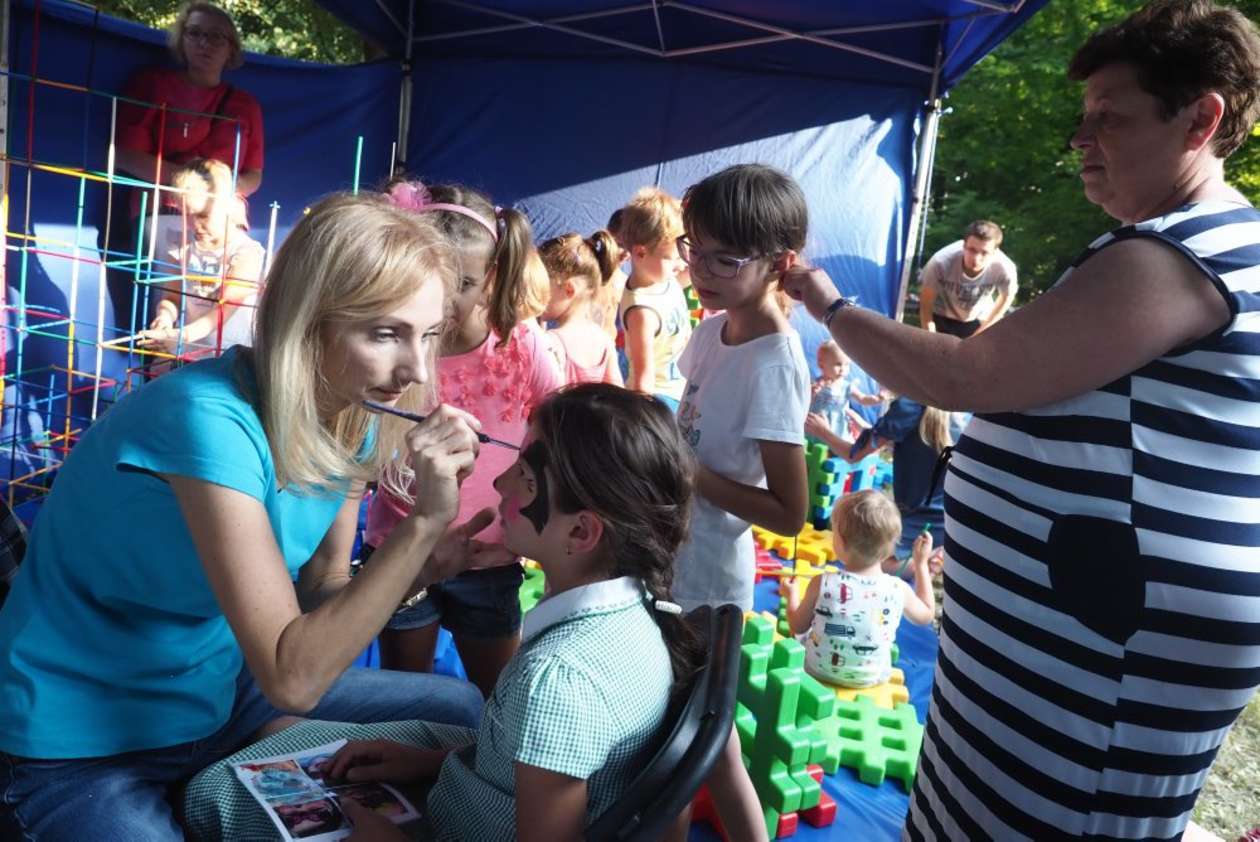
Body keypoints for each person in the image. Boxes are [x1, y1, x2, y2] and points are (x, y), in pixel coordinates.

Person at [781, 2, 1260, 836]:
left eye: (1108, 117)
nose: (1080, 139)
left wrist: (828, 302)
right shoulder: (1200, 247)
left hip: (1095, 685)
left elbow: (970, 373)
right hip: (1068, 666)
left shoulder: (1177, 255)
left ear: (1202, 118)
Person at [0, 193, 488, 841]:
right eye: (385, 333)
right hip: (81, 735)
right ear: (307, 323)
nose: (417, 370)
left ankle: (217, 779)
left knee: (458, 708)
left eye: (428, 335)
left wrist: (421, 566)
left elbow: (322, 588)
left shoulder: (356, 414)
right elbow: (294, 678)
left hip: (219, 690)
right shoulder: (207, 420)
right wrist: (423, 524)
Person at [182, 384, 701, 842]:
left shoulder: (558, 679)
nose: (499, 487)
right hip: (467, 783)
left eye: (523, 475)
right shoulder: (642, 616)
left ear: (581, 533)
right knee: (279, 735)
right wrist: (431, 763)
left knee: (210, 794)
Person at [363, 180, 562, 696]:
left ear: (493, 277)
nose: (446, 304)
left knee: (495, 697)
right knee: (401, 697)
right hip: (403, 548)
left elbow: (560, 425)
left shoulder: (521, 345)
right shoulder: (396, 344)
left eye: (465, 284)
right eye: (433, 281)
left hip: (489, 556)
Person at [672, 164, 810, 612]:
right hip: (671, 555)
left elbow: (789, 515)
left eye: (726, 259)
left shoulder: (773, 366)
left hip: (708, 585)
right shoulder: (710, 333)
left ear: (780, 263)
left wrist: (690, 473)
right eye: (695, 250)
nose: (703, 271)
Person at [111, 2, 265, 331]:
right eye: (195, 33)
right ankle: (159, 369)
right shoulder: (149, 85)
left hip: (224, 221)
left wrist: (216, 195)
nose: (205, 44)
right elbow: (123, 156)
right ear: (181, 39)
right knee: (163, 309)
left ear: (231, 49)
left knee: (224, 309)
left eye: (216, 37)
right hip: (162, 212)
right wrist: (191, 190)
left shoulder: (246, 105)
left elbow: (254, 176)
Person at [786, 490, 935, 688]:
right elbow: (926, 614)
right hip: (870, 678)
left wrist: (792, 595)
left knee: (798, 638)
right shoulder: (898, 588)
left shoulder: (822, 582)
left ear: (841, 543)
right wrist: (921, 564)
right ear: (891, 549)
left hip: (815, 669)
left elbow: (797, 625)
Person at [810, 397, 966, 569]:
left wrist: (822, 431)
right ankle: (929, 557)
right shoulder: (952, 407)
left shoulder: (909, 406)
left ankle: (924, 564)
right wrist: (870, 432)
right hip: (948, 514)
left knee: (860, 556)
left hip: (919, 514)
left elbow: (852, 455)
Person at [138, 157, 265, 366]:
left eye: (203, 215)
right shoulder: (182, 247)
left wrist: (182, 335)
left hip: (230, 359)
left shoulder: (246, 253)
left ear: (228, 206)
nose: (195, 224)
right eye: (186, 214)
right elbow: (172, 296)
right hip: (189, 354)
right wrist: (165, 318)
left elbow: (225, 308)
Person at [617, 187, 692, 409]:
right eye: (674, 258)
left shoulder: (663, 279)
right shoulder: (642, 311)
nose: (682, 263)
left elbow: (693, 276)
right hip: (660, 399)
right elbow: (643, 380)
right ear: (640, 253)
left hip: (682, 389)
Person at [539, 231, 624, 386]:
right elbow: (618, 398)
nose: (535, 294)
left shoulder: (552, 343)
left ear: (569, 289)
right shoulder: (604, 340)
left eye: (542, 287)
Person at [916, 219, 1017, 338]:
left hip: (976, 318)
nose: (976, 258)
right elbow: (925, 306)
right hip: (939, 315)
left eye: (984, 253)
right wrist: (931, 338)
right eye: (972, 250)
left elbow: (1006, 298)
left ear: (995, 252)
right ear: (964, 245)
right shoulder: (940, 263)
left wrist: (981, 333)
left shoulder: (1005, 269)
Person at [806, 340, 883, 445]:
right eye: (838, 364)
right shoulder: (817, 384)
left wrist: (877, 398)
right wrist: (812, 393)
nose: (843, 369)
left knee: (837, 445)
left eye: (847, 365)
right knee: (815, 446)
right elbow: (805, 402)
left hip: (838, 424)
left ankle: (836, 454)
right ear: (821, 365)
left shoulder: (847, 386)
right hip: (819, 422)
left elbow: (863, 399)